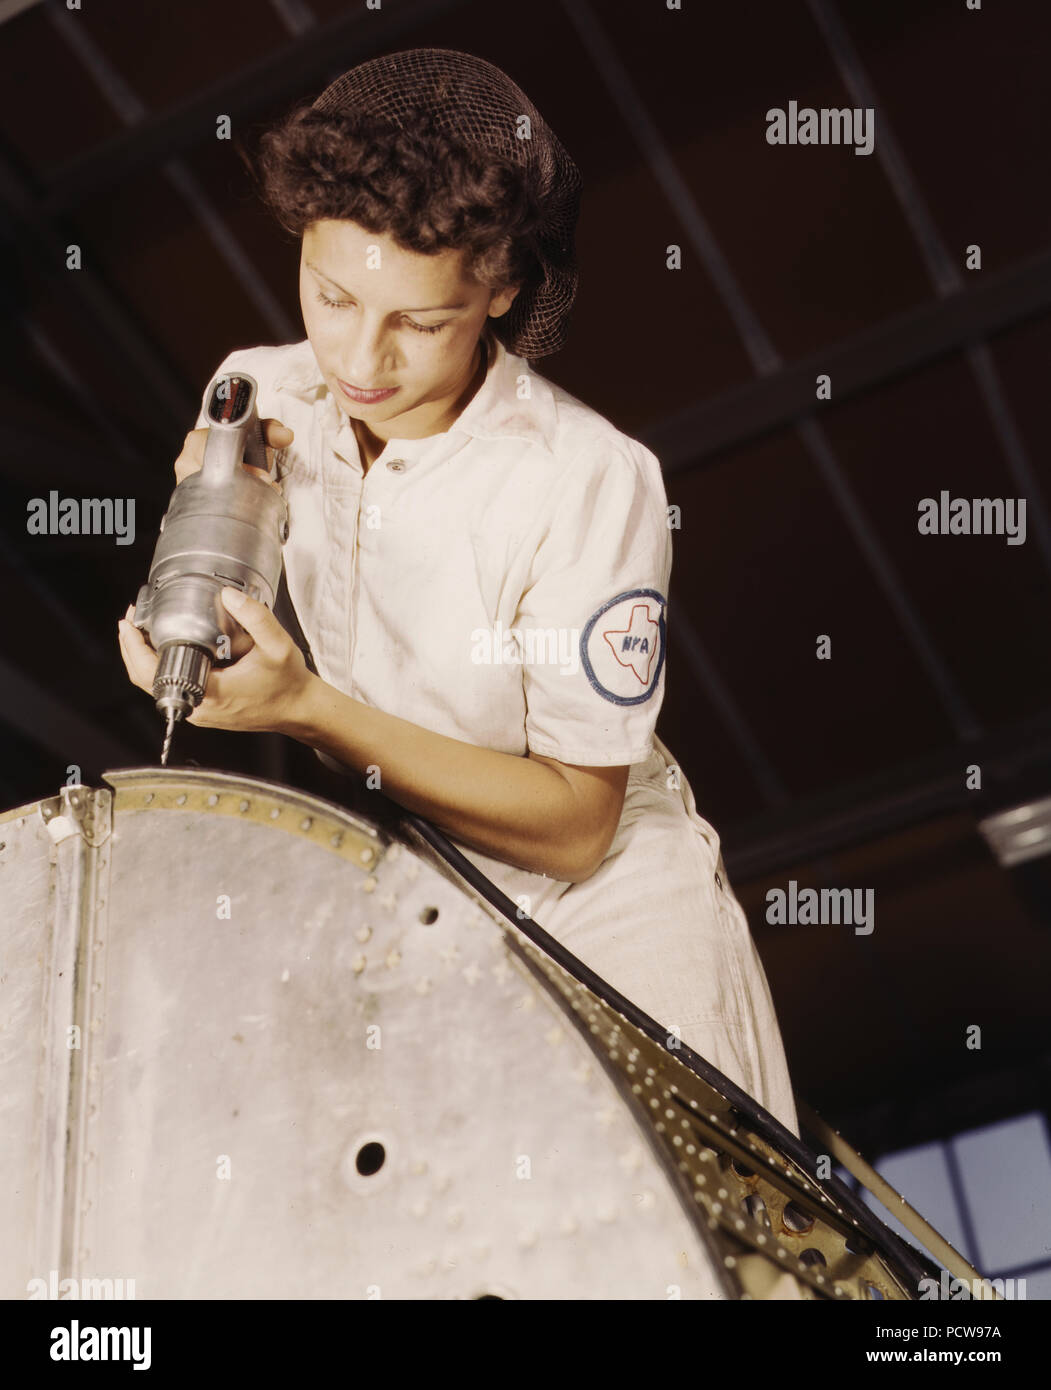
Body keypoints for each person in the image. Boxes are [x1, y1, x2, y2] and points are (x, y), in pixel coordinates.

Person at [118, 48, 799, 1136]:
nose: (360, 356)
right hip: (434, 901)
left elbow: (580, 826)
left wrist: (303, 709)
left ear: (502, 286)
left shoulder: (584, 477)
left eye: (420, 322)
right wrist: (198, 604)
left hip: (610, 915)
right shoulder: (265, 386)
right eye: (331, 295)